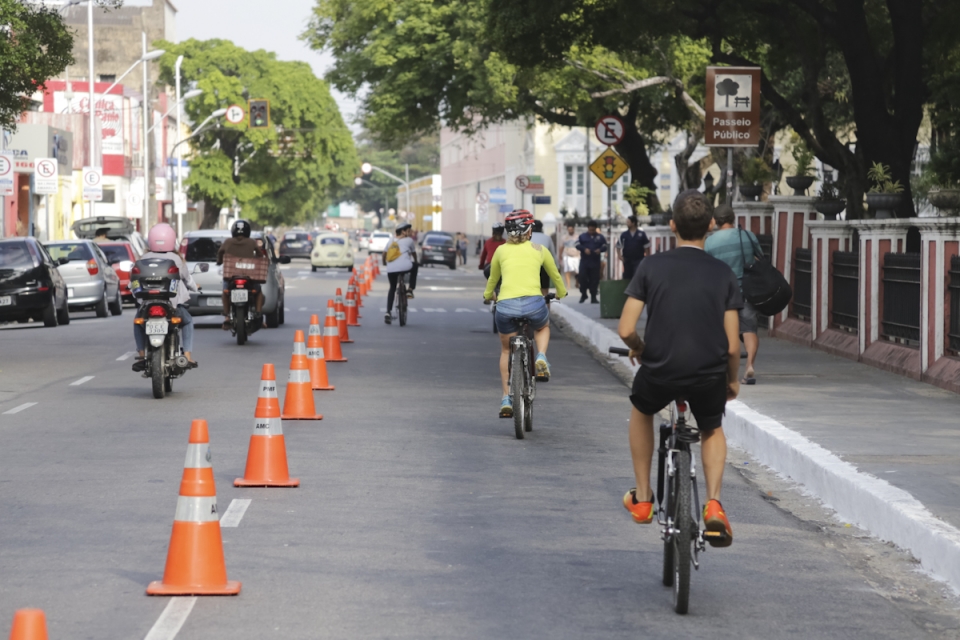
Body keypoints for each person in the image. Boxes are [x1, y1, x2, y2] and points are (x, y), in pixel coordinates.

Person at [617, 190, 741, 547]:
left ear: (672, 225)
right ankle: (714, 504)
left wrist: (639, 348)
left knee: (642, 410)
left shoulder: (650, 267)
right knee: (712, 428)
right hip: (708, 374)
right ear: (711, 226)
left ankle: (643, 498)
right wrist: (732, 380)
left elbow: (626, 329)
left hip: (660, 370)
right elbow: (733, 345)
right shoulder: (723, 274)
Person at [483, 210, 567, 417]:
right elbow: (555, 274)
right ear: (530, 231)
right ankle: (541, 356)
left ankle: (506, 398)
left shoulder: (501, 251)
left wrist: (488, 295)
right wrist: (561, 292)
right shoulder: (539, 249)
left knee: (506, 350)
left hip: (505, 307)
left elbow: (493, 279)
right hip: (534, 305)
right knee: (543, 326)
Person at [705, 204, 764, 384]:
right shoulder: (747, 236)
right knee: (749, 330)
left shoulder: (709, 242)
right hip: (746, 291)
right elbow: (760, 258)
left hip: (722, 294)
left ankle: (725, 371)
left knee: (723, 332)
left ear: (715, 221)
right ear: (733, 218)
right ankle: (749, 366)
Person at [131, 223, 199, 371]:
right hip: (171, 306)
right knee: (187, 321)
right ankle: (187, 356)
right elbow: (187, 279)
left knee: (138, 323)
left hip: (147, 306)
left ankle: (141, 355)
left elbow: (134, 281)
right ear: (172, 239)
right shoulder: (176, 259)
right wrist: (196, 288)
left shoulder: (143, 259)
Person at [217, 219, 268, 330]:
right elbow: (260, 255)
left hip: (231, 276)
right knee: (258, 292)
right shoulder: (252, 242)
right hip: (248, 275)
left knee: (225, 292)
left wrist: (219, 261)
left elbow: (220, 252)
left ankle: (227, 316)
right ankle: (259, 314)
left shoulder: (228, 242)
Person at [383, 223, 419, 324]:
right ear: (403, 232)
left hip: (391, 269)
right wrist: (416, 261)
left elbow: (384, 253)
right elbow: (414, 253)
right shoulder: (409, 240)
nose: (410, 232)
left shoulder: (391, 240)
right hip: (405, 267)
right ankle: (410, 289)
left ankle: (388, 312)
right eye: (408, 230)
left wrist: (384, 263)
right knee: (415, 266)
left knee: (392, 287)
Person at [576, 220, 607, 303]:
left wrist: (600, 250)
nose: (591, 231)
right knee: (582, 277)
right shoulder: (582, 236)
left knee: (594, 279)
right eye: (590, 230)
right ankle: (583, 294)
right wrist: (584, 249)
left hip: (595, 261)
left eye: (593, 230)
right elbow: (577, 245)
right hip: (585, 261)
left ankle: (593, 297)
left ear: (595, 229)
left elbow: (605, 246)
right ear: (588, 228)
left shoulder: (600, 237)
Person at [617, 215, 650, 280]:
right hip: (627, 260)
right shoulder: (624, 234)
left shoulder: (641, 234)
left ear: (633, 223)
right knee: (627, 277)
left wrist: (647, 257)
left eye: (628, 222)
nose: (627, 223)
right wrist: (619, 256)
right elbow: (618, 246)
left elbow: (646, 247)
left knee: (637, 275)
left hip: (638, 259)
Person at [531, 219, 557, 295]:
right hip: (543, 265)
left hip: (530, 266)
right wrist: (557, 267)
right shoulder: (547, 238)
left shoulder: (527, 238)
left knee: (532, 290)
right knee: (545, 290)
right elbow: (553, 254)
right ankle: (546, 301)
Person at [561, 223, 580, 291]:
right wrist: (560, 255)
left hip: (576, 255)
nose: (570, 230)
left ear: (573, 229)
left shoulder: (578, 237)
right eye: (569, 229)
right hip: (567, 255)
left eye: (571, 229)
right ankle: (568, 285)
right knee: (567, 270)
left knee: (577, 271)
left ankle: (577, 283)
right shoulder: (564, 237)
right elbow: (561, 247)